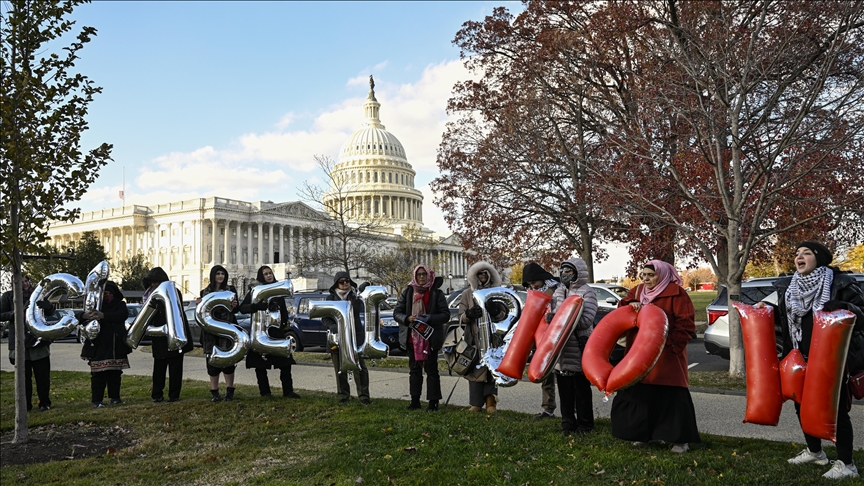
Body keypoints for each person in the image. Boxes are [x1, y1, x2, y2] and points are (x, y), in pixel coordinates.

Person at [757, 241, 863, 479]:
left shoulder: (840, 283)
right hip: (798, 357)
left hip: (831, 360)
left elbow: (862, 313)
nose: (799, 256)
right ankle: (815, 452)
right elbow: (786, 317)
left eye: (806, 253)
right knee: (801, 405)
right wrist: (768, 308)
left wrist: (844, 306)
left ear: (820, 258)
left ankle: (847, 464)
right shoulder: (788, 287)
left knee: (835, 410)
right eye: (797, 253)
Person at [611, 260, 700, 453]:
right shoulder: (636, 292)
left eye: (651, 275)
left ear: (662, 275)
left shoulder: (677, 294)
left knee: (670, 396)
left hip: (665, 355)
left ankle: (678, 440)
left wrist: (669, 346)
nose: (646, 279)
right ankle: (643, 435)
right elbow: (622, 310)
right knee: (639, 393)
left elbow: (685, 324)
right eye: (643, 275)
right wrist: (629, 304)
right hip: (637, 354)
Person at [546, 258, 597, 435]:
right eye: (562, 271)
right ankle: (567, 423)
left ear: (577, 273)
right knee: (564, 389)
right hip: (561, 347)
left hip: (579, 345)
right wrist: (551, 318)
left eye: (568, 271)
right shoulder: (559, 292)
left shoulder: (587, 292)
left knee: (581, 389)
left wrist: (561, 319)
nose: (564, 274)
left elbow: (585, 320)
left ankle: (585, 425)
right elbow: (552, 312)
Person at [393, 265, 449, 412]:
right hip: (413, 338)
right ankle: (415, 401)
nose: (422, 277)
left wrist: (430, 317)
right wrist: (407, 318)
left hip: (430, 337)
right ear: (415, 276)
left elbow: (445, 315)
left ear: (430, 275)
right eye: (419, 275)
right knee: (414, 370)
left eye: (424, 274)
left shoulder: (436, 293)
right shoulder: (408, 292)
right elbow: (396, 313)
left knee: (432, 371)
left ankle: (433, 403)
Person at [239, 265, 300, 399]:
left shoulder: (278, 290)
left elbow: (283, 309)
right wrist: (256, 306)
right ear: (261, 277)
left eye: (270, 273)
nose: (268, 275)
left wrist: (284, 322)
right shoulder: (255, 291)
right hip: (260, 333)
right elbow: (242, 308)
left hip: (276, 333)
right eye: (265, 274)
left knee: (285, 363)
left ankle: (288, 391)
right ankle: (265, 392)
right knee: (260, 366)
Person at [459, 261, 506, 413]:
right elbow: (460, 316)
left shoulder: (497, 291)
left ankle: (491, 402)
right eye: (480, 273)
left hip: (493, 339)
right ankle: (475, 403)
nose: (483, 276)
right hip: (474, 339)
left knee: (491, 369)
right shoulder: (467, 294)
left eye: (486, 273)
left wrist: (495, 312)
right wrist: (469, 314)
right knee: (475, 370)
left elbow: (504, 315)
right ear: (475, 276)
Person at [2, 276, 55, 411]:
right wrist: (17, 312)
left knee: (43, 376)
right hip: (20, 342)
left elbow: (50, 311)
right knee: (23, 378)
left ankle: (44, 403)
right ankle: (25, 405)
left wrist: (48, 306)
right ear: (13, 282)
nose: (24, 284)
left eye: (26, 281)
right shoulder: (8, 296)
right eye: (20, 281)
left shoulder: (36, 294)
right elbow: (1, 314)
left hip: (39, 342)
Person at [143, 267, 193, 403]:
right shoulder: (149, 295)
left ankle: (174, 394)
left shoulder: (173, 292)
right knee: (159, 368)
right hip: (158, 337)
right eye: (152, 282)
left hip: (173, 334)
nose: (154, 285)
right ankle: (157, 394)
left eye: (156, 282)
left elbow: (176, 311)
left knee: (175, 367)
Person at [79, 281, 130, 408]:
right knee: (98, 375)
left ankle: (115, 397)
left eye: (109, 294)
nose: (107, 296)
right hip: (98, 347)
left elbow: (122, 315)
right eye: (105, 294)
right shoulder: (96, 305)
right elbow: (80, 316)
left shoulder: (120, 305)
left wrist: (104, 316)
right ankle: (97, 400)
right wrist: (85, 315)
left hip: (115, 347)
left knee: (115, 374)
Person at [323, 272, 371, 404]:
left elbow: (369, 293)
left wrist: (366, 284)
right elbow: (325, 318)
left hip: (355, 337)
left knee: (360, 367)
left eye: (347, 281)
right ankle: (343, 395)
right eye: (342, 281)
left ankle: (364, 396)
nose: (345, 284)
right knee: (340, 368)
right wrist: (332, 326)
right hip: (337, 338)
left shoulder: (355, 296)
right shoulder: (330, 299)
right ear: (336, 284)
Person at [522, 262, 560, 420]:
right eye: (529, 284)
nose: (532, 286)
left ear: (542, 278)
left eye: (534, 282)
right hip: (540, 338)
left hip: (557, 335)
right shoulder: (532, 292)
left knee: (565, 375)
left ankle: (573, 411)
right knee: (546, 374)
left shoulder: (557, 289)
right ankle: (548, 409)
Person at [197, 265, 240, 402]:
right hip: (210, 333)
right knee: (212, 362)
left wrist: (234, 305)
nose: (220, 276)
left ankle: (229, 391)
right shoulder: (204, 292)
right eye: (218, 274)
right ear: (213, 276)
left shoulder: (231, 290)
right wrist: (198, 303)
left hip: (226, 331)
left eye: (222, 274)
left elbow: (236, 309)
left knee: (228, 361)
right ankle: (214, 392)